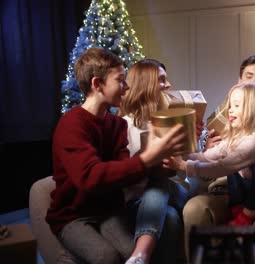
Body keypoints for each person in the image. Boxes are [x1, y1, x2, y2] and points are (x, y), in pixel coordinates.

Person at [45, 48, 187, 264]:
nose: (127, 87)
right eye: (120, 80)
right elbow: (90, 178)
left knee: (132, 252)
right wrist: (147, 158)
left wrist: (161, 156)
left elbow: (123, 171)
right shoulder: (71, 125)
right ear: (97, 84)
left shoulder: (116, 124)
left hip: (108, 210)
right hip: (73, 216)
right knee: (107, 257)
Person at [183, 54, 255, 258]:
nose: (254, 81)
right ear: (239, 80)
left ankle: (247, 214)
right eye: (249, 76)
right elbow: (207, 158)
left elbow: (226, 164)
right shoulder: (224, 125)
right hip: (229, 189)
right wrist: (187, 148)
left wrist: (187, 164)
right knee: (195, 207)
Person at [165, 81, 255, 225]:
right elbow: (205, 157)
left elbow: (220, 167)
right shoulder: (237, 140)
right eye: (230, 105)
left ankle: (247, 215)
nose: (230, 110)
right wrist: (182, 150)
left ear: (254, 110)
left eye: (236, 106)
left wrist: (183, 166)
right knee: (233, 164)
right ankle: (237, 208)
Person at [119, 59, 190, 264]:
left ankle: (140, 254)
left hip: (175, 191)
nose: (168, 85)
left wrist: (190, 147)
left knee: (158, 182)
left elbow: (184, 172)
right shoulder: (124, 125)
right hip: (138, 199)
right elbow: (123, 172)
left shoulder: (170, 121)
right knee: (170, 218)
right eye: (161, 80)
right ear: (145, 84)